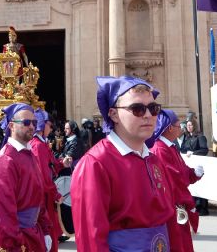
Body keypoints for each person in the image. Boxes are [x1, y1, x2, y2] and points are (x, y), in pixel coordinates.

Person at [71, 76, 173, 251]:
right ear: (114, 114)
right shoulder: (96, 163)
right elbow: (91, 239)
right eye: (137, 109)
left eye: (153, 108)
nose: (148, 115)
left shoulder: (153, 159)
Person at [0, 102, 52, 252]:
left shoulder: (29, 154)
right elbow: (5, 208)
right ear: (11, 126)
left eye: (34, 122)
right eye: (26, 122)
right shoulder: (6, 159)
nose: (32, 126)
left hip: (32, 233)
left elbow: (38, 197)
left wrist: (45, 229)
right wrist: (15, 243)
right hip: (14, 238)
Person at [147, 109, 204, 252]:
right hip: (172, 207)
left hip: (177, 205)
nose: (182, 128)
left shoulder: (170, 147)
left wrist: (193, 173)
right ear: (170, 128)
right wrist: (189, 200)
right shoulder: (160, 149)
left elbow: (182, 171)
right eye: (179, 125)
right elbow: (174, 179)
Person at [29, 108, 63, 251]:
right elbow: (43, 176)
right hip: (44, 197)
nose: (51, 127)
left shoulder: (41, 143)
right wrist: (56, 194)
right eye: (49, 124)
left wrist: (61, 164)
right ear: (42, 125)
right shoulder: (37, 145)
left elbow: (50, 166)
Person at [181, 119, 209, 215]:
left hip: (198, 165)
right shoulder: (187, 137)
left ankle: (202, 207)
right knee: (192, 187)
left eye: (191, 125)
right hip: (190, 164)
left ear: (195, 126)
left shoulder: (200, 136)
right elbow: (183, 149)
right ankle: (193, 205)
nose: (189, 127)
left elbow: (204, 150)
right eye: (187, 125)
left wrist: (193, 153)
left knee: (200, 186)